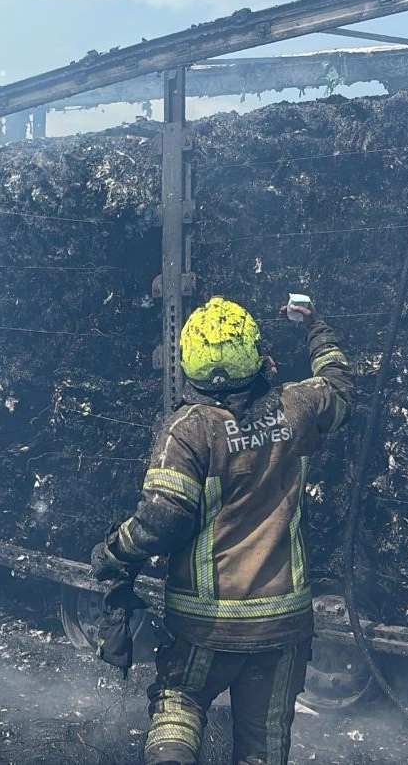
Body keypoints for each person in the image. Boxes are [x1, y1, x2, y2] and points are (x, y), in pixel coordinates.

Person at [91, 295, 353, 765]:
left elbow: (162, 520)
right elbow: (339, 385)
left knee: (180, 698)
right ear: (256, 356)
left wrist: (114, 551)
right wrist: (315, 326)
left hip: (207, 622)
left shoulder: (189, 429)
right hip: (282, 623)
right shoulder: (297, 407)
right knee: (263, 739)